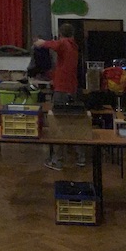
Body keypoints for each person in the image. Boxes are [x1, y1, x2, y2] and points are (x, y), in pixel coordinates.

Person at [38, 24, 83, 169]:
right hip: (72, 88)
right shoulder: (74, 46)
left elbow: (56, 45)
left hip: (62, 90)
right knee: (73, 123)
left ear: (60, 34)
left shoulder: (64, 43)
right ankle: (81, 157)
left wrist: (42, 43)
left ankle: (57, 160)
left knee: (57, 124)